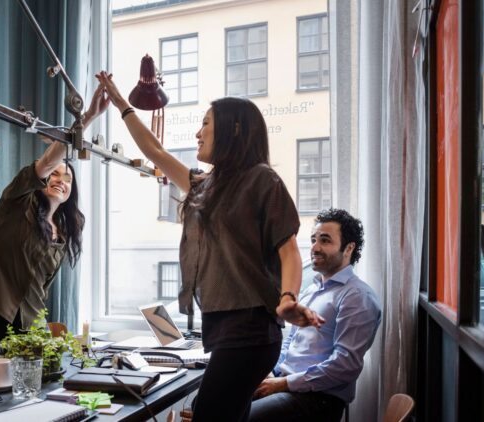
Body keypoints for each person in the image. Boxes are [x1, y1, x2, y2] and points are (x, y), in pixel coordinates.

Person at [95, 71, 323, 421]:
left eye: (205, 124)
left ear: (233, 130)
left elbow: (289, 249)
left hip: (251, 332)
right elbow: (154, 150)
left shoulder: (263, 179)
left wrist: (288, 299)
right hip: (227, 331)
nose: (198, 133)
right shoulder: (204, 186)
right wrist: (121, 104)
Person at [0, 87, 110, 341]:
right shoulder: (16, 201)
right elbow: (46, 162)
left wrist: (42, 334)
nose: (60, 180)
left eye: (67, 178)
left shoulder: (63, 233)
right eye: (54, 174)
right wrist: (88, 116)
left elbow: (40, 288)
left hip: (33, 326)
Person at [249, 208, 382, 422]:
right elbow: (291, 342)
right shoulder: (313, 290)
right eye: (314, 239)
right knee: (211, 406)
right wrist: (272, 373)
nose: (315, 248)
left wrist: (284, 383)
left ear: (348, 248)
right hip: (287, 386)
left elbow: (345, 366)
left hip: (318, 399)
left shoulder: (357, 297)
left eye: (325, 240)